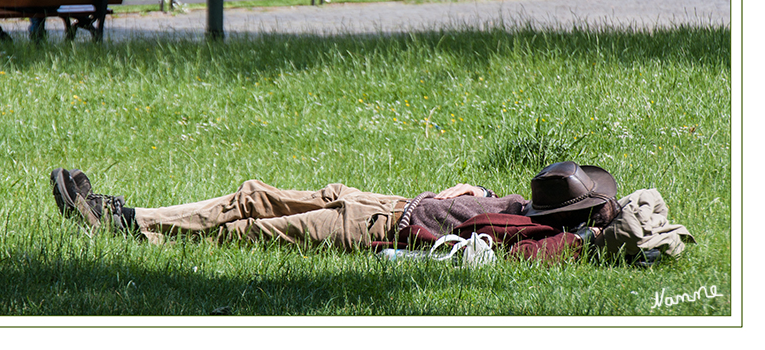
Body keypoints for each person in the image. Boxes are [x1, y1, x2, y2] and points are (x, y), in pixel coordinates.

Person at [50, 161, 632, 262]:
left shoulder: (548, 241)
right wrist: (469, 194)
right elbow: (482, 212)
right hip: (387, 201)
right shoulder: (534, 207)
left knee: (251, 232)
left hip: (378, 229)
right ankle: (128, 216)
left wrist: (607, 238)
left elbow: (485, 248)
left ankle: (131, 230)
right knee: (252, 193)